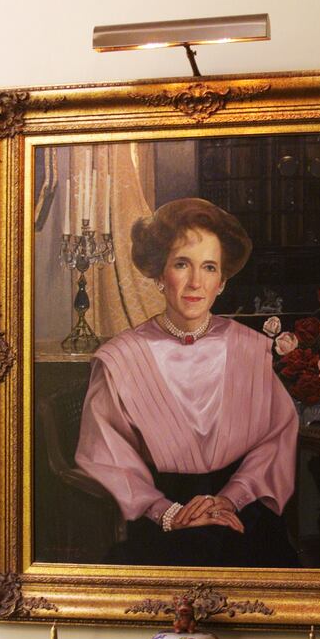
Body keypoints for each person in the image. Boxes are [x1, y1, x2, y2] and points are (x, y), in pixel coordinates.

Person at [75, 197, 299, 567]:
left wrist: (231, 498)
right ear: (160, 274)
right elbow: (107, 456)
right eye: (182, 264)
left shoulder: (249, 348)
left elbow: (276, 435)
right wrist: (166, 511)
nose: (196, 282)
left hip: (241, 512)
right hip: (159, 520)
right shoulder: (121, 357)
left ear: (223, 280)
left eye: (209, 267)